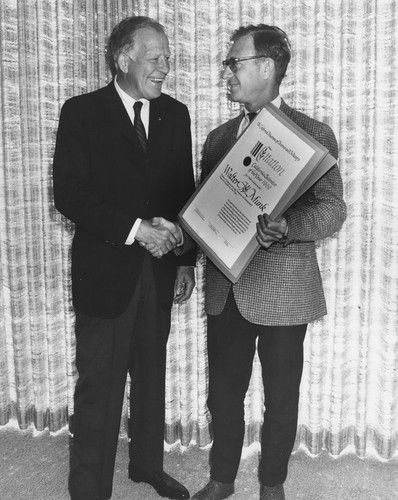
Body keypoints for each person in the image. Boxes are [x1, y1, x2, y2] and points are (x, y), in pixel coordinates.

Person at [191, 24, 347, 500]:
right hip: (226, 289)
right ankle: (221, 479)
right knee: (223, 395)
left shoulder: (314, 135)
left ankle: (272, 484)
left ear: (266, 67)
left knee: (281, 398)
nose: (228, 72)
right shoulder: (218, 138)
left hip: (285, 290)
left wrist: (289, 227)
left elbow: (332, 209)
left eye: (234, 62)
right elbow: (207, 208)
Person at [53, 16, 196, 500]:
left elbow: (184, 192)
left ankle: (147, 468)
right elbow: (69, 194)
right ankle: (89, 488)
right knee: (100, 386)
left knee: (151, 375)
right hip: (106, 274)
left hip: (159, 272)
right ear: (123, 59)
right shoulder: (81, 112)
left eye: (167, 58)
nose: (165, 67)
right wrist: (138, 231)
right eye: (156, 58)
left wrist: (183, 259)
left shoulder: (177, 114)